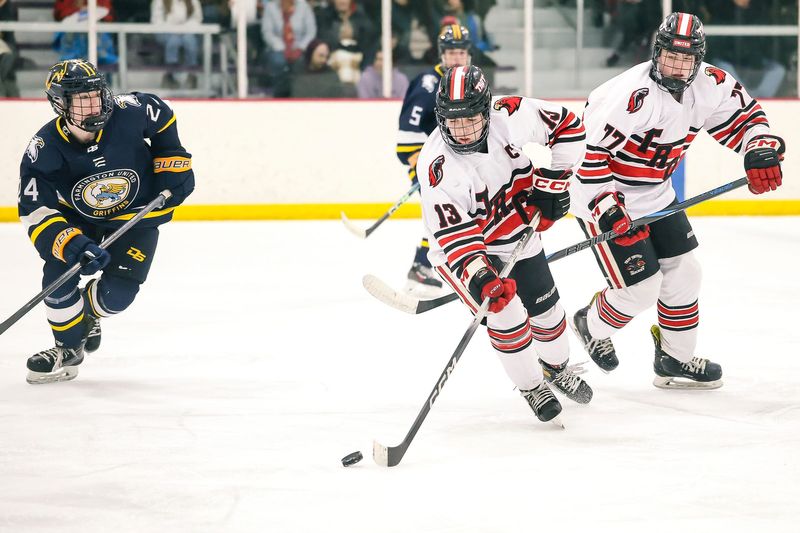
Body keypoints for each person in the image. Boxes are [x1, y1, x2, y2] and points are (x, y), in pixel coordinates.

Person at [568, 12, 785, 389]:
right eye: (670, 56)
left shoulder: (712, 84)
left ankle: (674, 358)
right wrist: (607, 211)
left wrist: (760, 147)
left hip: (656, 195)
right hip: (603, 196)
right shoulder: (624, 95)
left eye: (686, 59)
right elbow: (587, 156)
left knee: (686, 273)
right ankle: (591, 322)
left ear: (698, 59)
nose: (677, 65)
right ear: (656, 52)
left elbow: (747, 119)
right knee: (641, 288)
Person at [416, 65, 592, 422]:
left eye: (469, 119)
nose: (461, 131)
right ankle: (531, 385)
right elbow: (456, 238)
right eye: (452, 121)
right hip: (464, 252)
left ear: (486, 109)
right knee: (506, 313)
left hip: (519, 235)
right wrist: (482, 277)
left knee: (549, 316)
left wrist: (553, 182)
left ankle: (555, 368)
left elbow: (569, 126)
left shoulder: (509, 115)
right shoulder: (436, 167)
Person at [18, 59, 195, 384]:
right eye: (81, 99)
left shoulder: (130, 111)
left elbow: (161, 114)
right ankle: (67, 348)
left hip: (136, 217)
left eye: (95, 94)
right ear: (60, 104)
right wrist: (71, 244)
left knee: (118, 296)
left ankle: (85, 316)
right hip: (78, 221)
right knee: (57, 283)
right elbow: (35, 209)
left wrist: (173, 163)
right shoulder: (43, 149)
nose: (94, 104)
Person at [396, 23, 472, 292]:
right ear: (441, 54)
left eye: (461, 52)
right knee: (446, 215)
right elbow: (407, 133)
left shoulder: (469, 81)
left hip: (459, 163)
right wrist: (421, 167)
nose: (457, 58)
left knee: (462, 213)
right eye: (452, 52)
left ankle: (435, 263)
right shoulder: (428, 84)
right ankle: (423, 265)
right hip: (430, 165)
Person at [151, 0, 204, 89]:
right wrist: (173, 29)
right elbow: (156, 21)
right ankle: (170, 75)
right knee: (173, 41)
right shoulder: (159, 1)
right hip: (165, 32)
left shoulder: (194, 1)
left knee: (190, 40)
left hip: (187, 32)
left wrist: (183, 29)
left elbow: (197, 19)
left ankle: (191, 75)